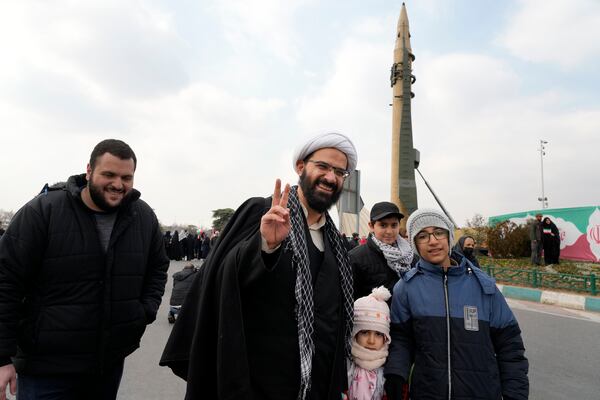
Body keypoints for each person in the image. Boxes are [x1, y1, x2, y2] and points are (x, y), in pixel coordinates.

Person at [160, 132, 358, 400]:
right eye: (322, 166)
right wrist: (265, 245)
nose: (331, 177)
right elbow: (223, 279)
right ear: (301, 166)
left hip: (318, 382)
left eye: (339, 172)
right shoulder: (261, 212)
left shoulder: (336, 242)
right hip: (258, 382)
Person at [0, 139, 169, 400]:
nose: (118, 184)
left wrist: (143, 311)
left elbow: (157, 268)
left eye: (127, 177)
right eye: (109, 174)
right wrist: (2, 357)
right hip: (45, 368)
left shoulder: (143, 217)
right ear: (89, 171)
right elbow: (6, 280)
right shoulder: (43, 212)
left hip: (106, 365)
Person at [384, 208, 529, 400]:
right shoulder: (406, 288)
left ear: (449, 236)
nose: (433, 240)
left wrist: (515, 394)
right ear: (415, 244)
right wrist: (396, 375)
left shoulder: (483, 286)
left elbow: (510, 348)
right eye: (423, 236)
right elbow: (400, 340)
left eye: (438, 232)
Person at [350, 201, 414, 300]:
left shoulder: (410, 257)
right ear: (371, 226)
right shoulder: (355, 258)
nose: (389, 231)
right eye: (383, 225)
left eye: (394, 225)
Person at [346, 287, 393, 400]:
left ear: (385, 338)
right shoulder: (346, 366)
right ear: (355, 334)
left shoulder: (388, 371)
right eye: (365, 332)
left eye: (378, 334)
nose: (371, 341)